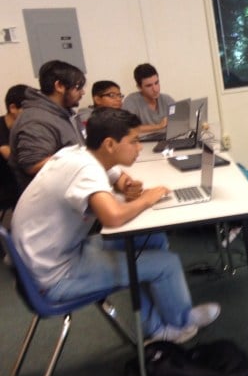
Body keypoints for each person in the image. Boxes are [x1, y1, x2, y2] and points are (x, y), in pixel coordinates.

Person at [11, 107, 220, 343]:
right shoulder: (86, 169)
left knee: (153, 240)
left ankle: (162, 319)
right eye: (134, 141)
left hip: (47, 259)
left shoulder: (78, 153)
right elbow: (113, 217)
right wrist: (147, 198)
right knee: (167, 264)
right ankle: (179, 326)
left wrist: (124, 184)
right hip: (57, 276)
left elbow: (113, 174)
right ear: (110, 144)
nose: (139, 147)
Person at [9, 60, 87, 193]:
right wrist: (83, 158)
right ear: (60, 86)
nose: (83, 92)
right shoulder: (36, 120)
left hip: (74, 188)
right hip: (52, 201)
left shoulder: (65, 112)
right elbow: (33, 165)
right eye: (78, 87)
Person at [122, 63, 175, 139]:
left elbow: (180, 122)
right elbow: (128, 128)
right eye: (149, 86)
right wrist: (159, 126)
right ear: (139, 87)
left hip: (168, 140)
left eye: (156, 83)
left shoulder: (167, 99)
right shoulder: (131, 101)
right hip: (143, 145)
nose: (155, 89)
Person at [1, 84, 26, 214]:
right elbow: (8, 154)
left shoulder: (25, 128)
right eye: (27, 109)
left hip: (15, 181)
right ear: (12, 108)